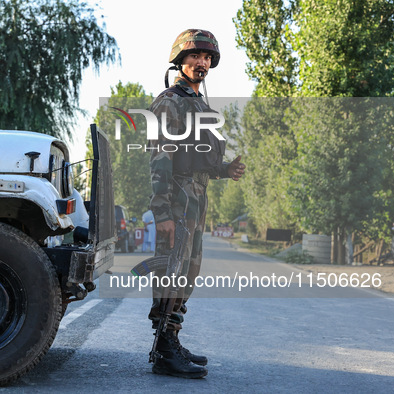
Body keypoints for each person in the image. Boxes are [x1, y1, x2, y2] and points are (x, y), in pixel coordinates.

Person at [147, 29, 245, 378]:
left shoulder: (198, 103)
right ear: (180, 60)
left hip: (197, 196)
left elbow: (197, 156)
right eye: (195, 56)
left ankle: (171, 337)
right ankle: (163, 350)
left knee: (187, 271)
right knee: (172, 269)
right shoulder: (170, 101)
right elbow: (160, 157)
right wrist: (162, 213)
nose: (201, 62)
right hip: (177, 198)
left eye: (206, 58)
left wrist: (223, 169)